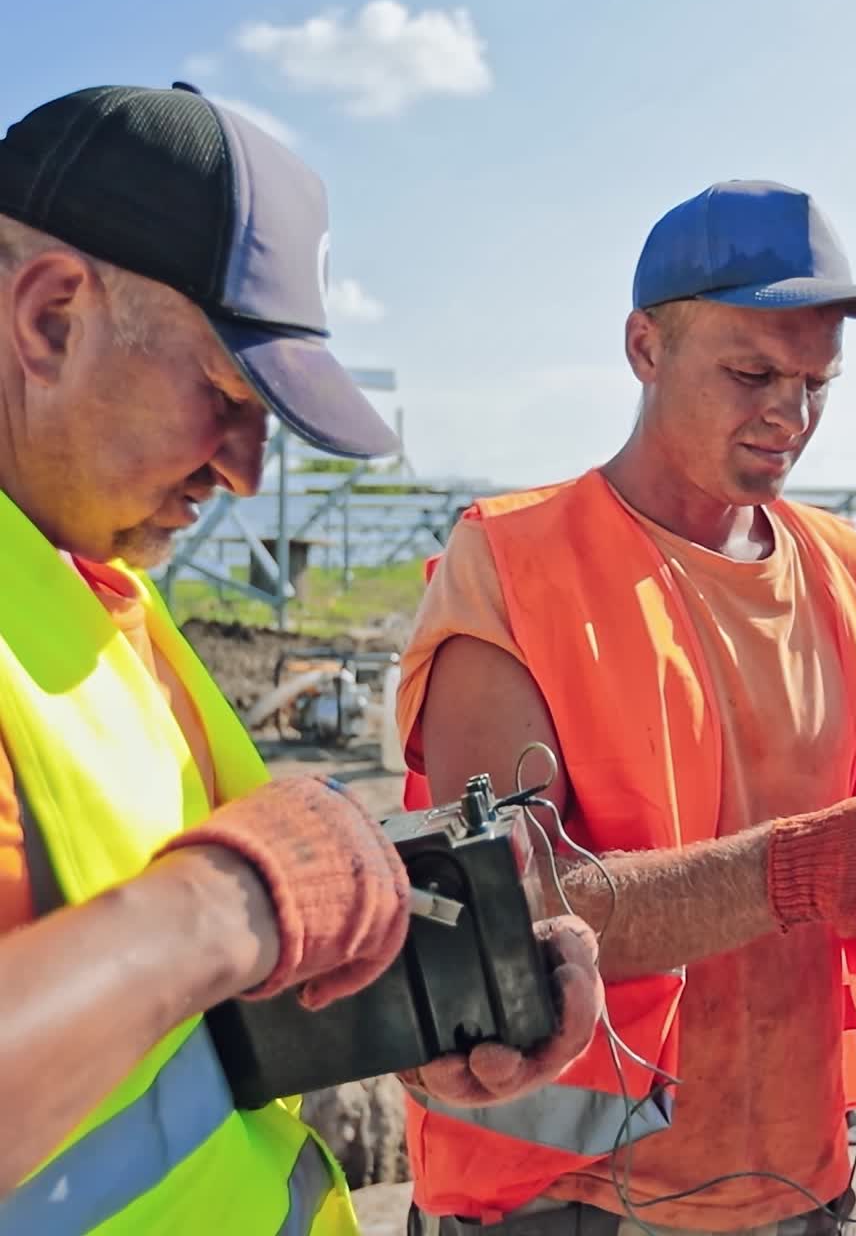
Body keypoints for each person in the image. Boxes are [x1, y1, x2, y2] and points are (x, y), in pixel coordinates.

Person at [0, 83, 601, 1236]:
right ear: (51, 318)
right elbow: (221, 908)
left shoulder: (98, 591)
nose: (241, 470)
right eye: (226, 394)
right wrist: (238, 895)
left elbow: (175, 1024)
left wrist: (434, 998)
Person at [395, 180, 856, 1235]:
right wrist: (815, 867)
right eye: (751, 372)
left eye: (816, 381)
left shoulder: (853, 572)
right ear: (643, 346)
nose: (789, 414)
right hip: (568, 1203)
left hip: (799, 1185)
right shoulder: (513, 563)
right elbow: (513, 909)